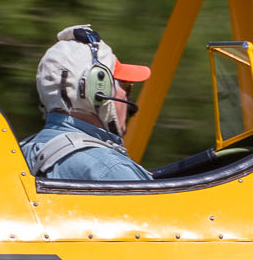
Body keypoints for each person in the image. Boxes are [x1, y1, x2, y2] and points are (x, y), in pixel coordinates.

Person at [20, 25, 156, 184]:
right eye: (125, 86)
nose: (127, 96)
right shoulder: (113, 171)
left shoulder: (21, 153)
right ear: (98, 88)